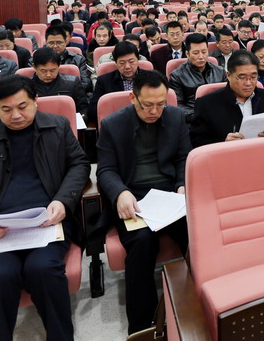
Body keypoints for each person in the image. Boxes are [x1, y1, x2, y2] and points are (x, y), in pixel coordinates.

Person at [0, 75, 88, 341]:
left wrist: (62, 200)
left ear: (35, 101)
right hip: (0, 228)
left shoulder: (57, 126)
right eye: (6, 109)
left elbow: (78, 165)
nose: (16, 115)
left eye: (23, 106)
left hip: (47, 221)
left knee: (43, 269)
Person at [95, 70, 190, 334]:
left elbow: (184, 156)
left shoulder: (176, 116)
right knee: (141, 242)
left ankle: (200, 302)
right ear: (132, 98)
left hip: (170, 194)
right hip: (133, 196)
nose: (154, 111)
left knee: (197, 233)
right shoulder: (113, 124)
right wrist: (120, 192)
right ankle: (142, 328)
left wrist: (181, 184)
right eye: (147, 105)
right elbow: (105, 170)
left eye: (161, 104)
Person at [189, 50, 264, 147]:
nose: (248, 83)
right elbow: (196, 142)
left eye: (253, 77)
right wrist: (223, 143)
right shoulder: (207, 103)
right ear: (229, 76)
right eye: (242, 77)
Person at [168, 33, 225, 121]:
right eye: (196, 53)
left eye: (204, 52)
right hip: (194, 120)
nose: (201, 57)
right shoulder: (177, 75)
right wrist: (200, 115)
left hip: (220, 116)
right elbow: (177, 105)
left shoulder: (220, 71)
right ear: (187, 54)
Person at [89, 42, 140, 120]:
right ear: (116, 63)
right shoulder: (104, 81)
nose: (127, 66)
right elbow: (93, 111)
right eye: (122, 63)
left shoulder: (150, 78)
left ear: (138, 60)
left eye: (131, 62)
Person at [30, 48, 88, 117]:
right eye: (43, 71)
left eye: (52, 70)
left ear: (59, 65)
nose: (48, 75)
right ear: (34, 67)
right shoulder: (26, 86)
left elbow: (83, 109)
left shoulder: (72, 83)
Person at [44, 25, 92, 92]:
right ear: (46, 42)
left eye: (59, 42)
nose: (55, 46)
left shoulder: (78, 59)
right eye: (51, 43)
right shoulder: (37, 60)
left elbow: (86, 83)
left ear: (65, 41)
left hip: (73, 94)